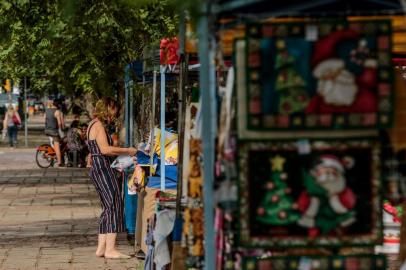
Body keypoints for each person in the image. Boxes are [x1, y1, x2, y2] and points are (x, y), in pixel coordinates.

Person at [86, 97, 137, 259]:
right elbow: (105, 149)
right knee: (114, 204)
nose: (115, 114)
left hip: (98, 168)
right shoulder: (99, 126)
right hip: (103, 168)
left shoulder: (91, 124)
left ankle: (101, 248)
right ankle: (110, 249)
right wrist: (127, 151)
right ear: (108, 108)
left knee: (107, 207)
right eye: (114, 110)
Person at [44, 99, 65, 167]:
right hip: (54, 131)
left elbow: (45, 120)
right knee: (57, 146)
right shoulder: (57, 111)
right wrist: (61, 129)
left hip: (47, 130)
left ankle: (52, 156)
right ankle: (59, 162)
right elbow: (59, 123)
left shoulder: (46, 111)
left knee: (53, 144)